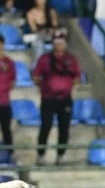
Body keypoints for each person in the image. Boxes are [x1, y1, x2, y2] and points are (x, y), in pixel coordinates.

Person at [32, 32, 82, 163]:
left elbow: (77, 77)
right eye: (57, 42)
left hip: (65, 99)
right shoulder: (44, 59)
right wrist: (44, 87)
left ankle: (61, 155)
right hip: (48, 99)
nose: (59, 44)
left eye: (62, 42)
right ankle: (41, 155)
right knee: (46, 126)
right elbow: (36, 75)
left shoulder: (72, 60)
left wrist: (68, 86)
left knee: (64, 128)